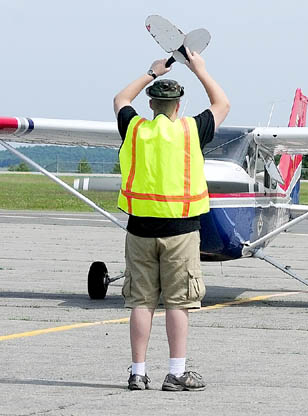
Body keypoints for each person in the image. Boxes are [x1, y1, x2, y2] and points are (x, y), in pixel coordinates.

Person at [112, 49, 230, 391]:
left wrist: (151, 72)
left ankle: (137, 372)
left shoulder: (134, 129)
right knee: (179, 302)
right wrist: (200, 69)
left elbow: (121, 98)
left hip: (139, 229)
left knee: (140, 301)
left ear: (150, 105)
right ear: (179, 105)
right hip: (181, 231)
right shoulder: (192, 129)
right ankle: (177, 372)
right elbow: (222, 103)